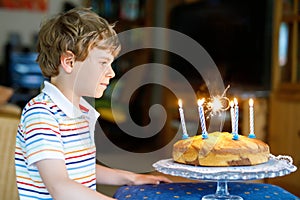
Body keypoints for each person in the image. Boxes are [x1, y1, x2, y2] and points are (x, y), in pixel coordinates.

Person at [15, 7, 171, 200]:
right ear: (69, 62)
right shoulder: (41, 114)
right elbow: (60, 186)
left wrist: (131, 178)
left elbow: (81, 168)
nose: (111, 72)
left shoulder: (81, 112)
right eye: (103, 63)